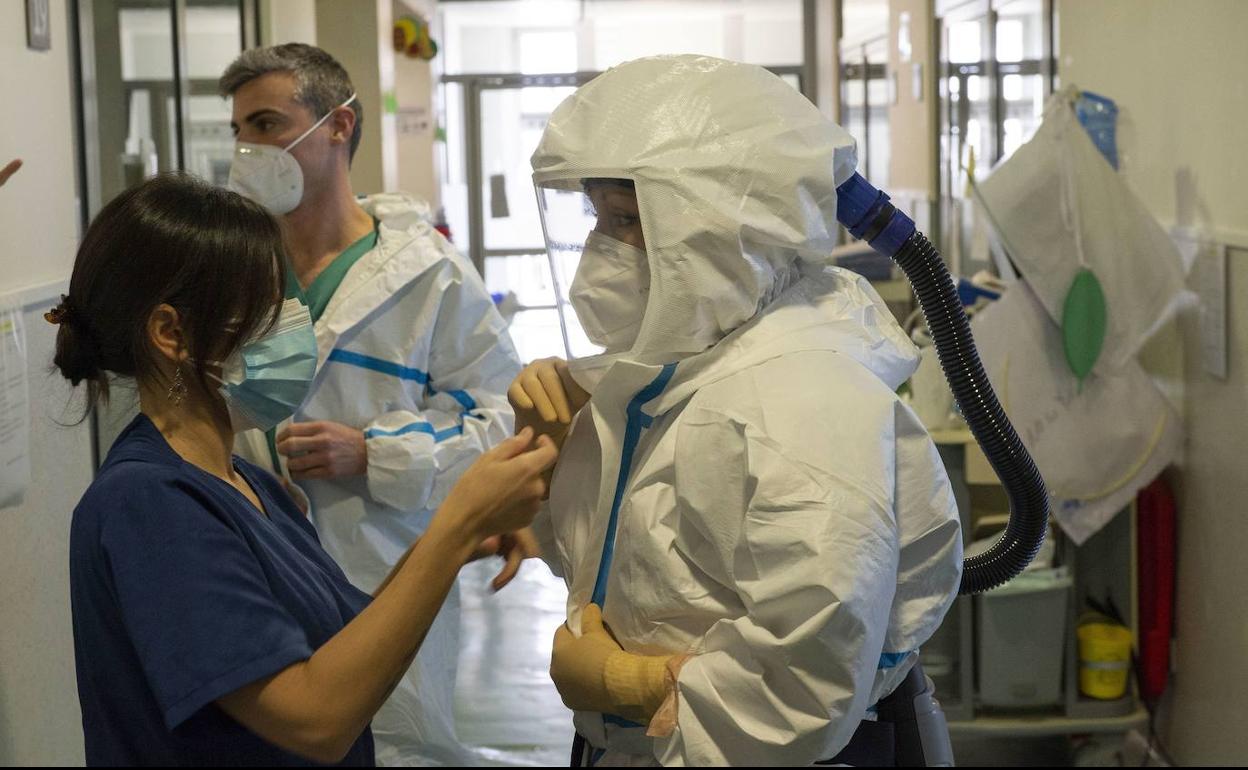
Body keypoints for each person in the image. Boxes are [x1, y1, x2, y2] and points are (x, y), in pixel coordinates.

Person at [510, 55, 964, 765]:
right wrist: (552, 449)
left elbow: (803, 695)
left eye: (629, 221)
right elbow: (617, 565)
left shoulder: (802, 410)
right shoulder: (682, 370)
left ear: (725, 230)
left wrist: (629, 682)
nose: (601, 250)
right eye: (598, 218)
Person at [57, 173, 556, 767]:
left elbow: (350, 641)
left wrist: (462, 529)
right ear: (172, 334)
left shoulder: (248, 482)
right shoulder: (150, 505)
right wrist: (455, 530)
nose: (293, 326)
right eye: (266, 308)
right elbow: (315, 718)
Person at [218, 44, 524, 766]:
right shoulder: (234, 267)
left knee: (392, 744)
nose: (248, 149)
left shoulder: (431, 277)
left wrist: (375, 454)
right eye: (238, 131)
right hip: (252, 571)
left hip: (383, 572)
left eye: (266, 124)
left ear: (338, 125)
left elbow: (501, 423)